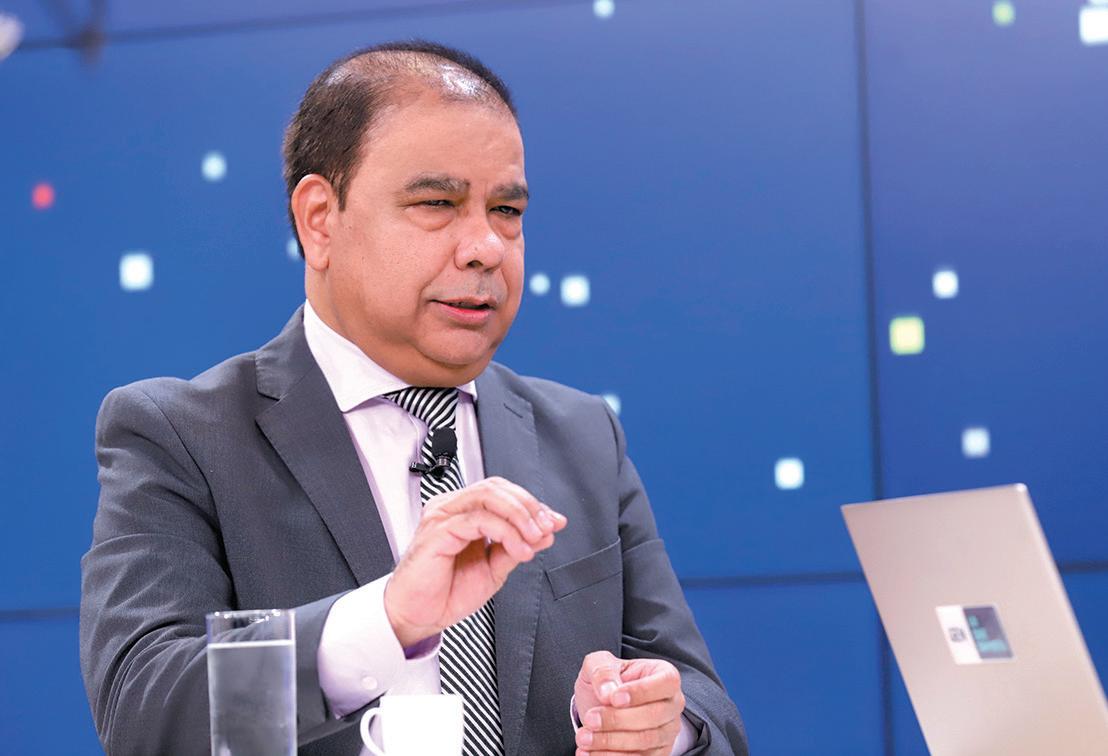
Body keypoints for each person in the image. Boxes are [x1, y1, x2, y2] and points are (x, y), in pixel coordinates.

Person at [80, 40, 748, 756]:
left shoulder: (583, 435)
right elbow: (148, 715)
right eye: (437, 203)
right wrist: (387, 620)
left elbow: (706, 711)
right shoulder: (183, 437)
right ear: (319, 219)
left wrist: (662, 728)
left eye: (507, 210)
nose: (486, 247)